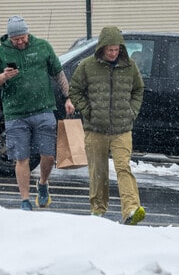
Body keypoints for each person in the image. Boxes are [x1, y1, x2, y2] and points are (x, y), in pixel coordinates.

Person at [0, 15, 75, 211]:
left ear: (27, 32)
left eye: (23, 37)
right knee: (21, 157)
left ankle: (43, 183)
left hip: (43, 109)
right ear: (10, 37)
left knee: (48, 155)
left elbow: (58, 73)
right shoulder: (1, 53)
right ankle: (25, 200)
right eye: (16, 39)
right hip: (15, 113)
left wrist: (68, 97)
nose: (20, 41)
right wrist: (3, 76)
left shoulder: (42, 46)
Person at [68, 26, 146, 225]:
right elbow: (75, 90)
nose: (113, 53)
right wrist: (88, 110)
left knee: (123, 167)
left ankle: (131, 209)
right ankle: (98, 209)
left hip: (122, 128)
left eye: (116, 49)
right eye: (109, 49)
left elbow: (138, 90)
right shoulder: (87, 66)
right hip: (95, 129)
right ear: (102, 48)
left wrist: (131, 111)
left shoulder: (130, 67)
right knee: (98, 170)